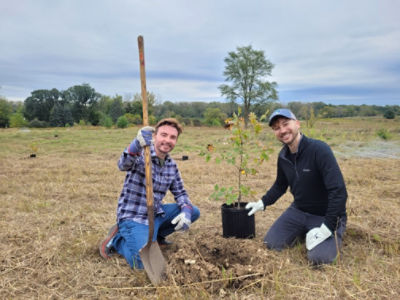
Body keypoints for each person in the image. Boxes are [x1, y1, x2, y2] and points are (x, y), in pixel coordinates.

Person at [246, 108, 347, 265]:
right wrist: (263, 202)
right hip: (298, 211)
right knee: (270, 245)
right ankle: (304, 231)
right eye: (277, 128)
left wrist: (328, 226)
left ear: (297, 124)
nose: (283, 130)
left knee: (319, 259)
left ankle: (335, 230)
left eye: (286, 124)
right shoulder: (283, 156)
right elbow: (280, 185)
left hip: (325, 214)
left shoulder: (319, 150)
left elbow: (339, 192)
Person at [99, 118, 200, 269]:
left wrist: (185, 211)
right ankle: (118, 241)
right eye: (163, 135)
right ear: (154, 136)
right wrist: (136, 144)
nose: (167, 140)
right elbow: (122, 164)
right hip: (134, 217)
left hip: (155, 214)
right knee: (145, 266)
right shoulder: (142, 155)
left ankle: (156, 237)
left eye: (172, 137)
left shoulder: (171, 166)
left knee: (194, 212)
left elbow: (181, 194)